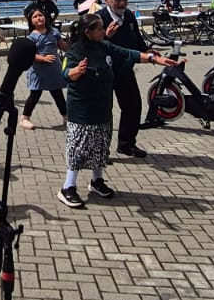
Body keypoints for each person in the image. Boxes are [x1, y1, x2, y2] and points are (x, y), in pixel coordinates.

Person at [59, 13, 176, 207]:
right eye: (99, 29)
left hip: (103, 108)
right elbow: (65, 73)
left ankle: (96, 181)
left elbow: (128, 53)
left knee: (100, 146)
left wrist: (154, 59)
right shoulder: (75, 51)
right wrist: (76, 72)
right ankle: (68, 187)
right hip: (82, 111)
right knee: (78, 148)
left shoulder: (105, 46)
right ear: (88, 32)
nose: (103, 31)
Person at [98, 0, 151, 158]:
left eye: (124, 0)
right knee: (103, 111)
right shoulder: (98, 18)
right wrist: (106, 35)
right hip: (104, 72)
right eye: (117, 0)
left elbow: (137, 38)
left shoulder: (128, 16)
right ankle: (101, 150)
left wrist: (147, 53)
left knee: (133, 106)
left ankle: (126, 144)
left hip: (124, 69)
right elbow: (86, 45)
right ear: (107, 0)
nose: (121, 3)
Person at [19, 6, 67, 129]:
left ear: (45, 17)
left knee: (58, 94)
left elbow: (62, 46)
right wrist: (43, 58)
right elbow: (30, 55)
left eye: (40, 15)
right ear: (31, 21)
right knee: (35, 95)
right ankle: (24, 118)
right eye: (35, 17)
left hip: (54, 70)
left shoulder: (54, 32)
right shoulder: (32, 37)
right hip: (38, 71)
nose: (38, 18)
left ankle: (66, 117)